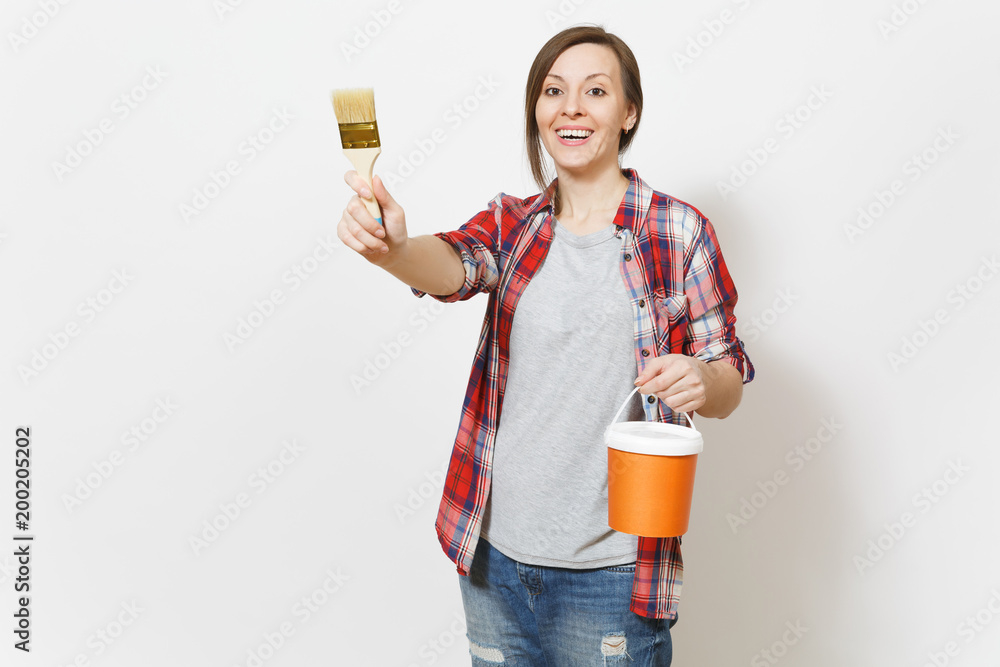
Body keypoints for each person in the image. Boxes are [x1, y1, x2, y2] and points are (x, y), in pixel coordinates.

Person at [338, 24, 755, 667]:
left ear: (628, 112)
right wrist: (394, 249)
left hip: (614, 575)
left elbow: (727, 377)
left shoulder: (678, 230)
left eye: (595, 91)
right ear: (536, 112)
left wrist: (704, 377)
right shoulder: (514, 224)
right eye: (553, 91)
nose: (571, 108)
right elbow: (453, 265)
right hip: (494, 562)